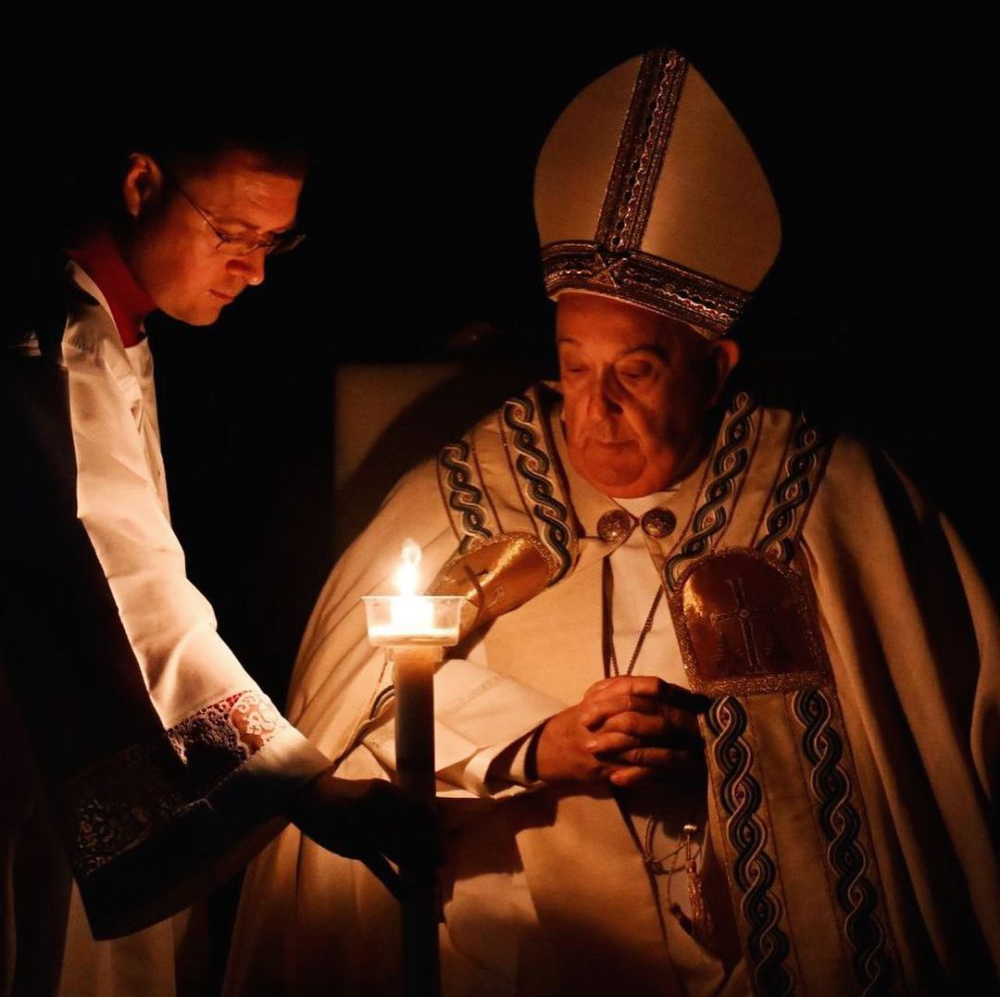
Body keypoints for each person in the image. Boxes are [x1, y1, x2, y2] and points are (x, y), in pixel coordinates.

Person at [227, 49, 1000, 995]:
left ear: (715, 368)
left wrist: (718, 755)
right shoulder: (467, 494)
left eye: (635, 371)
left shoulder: (831, 501)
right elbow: (351, 739)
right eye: (574, 366)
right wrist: (532, 746)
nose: (595, 413)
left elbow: (920, 773)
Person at [0, 122, 435, 995]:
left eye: (274, 242)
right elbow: (125, 592)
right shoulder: (55, 345)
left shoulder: (111, 328)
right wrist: (297, 787)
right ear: (140, 185)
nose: (256, 270)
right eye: (232, 234)